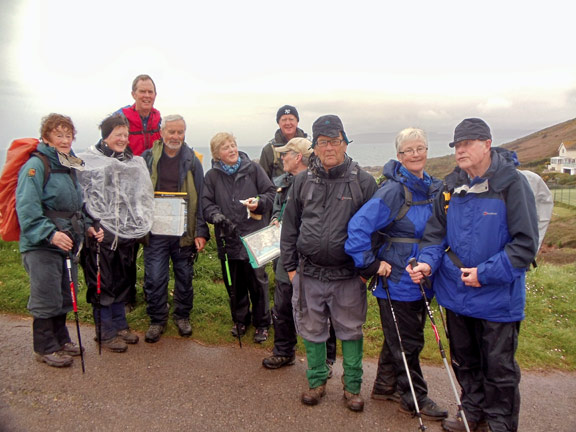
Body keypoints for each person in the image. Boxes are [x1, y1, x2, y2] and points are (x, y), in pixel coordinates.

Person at [407, 118, 538, 432]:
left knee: (499, 367)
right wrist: (426, 264)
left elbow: (525, 244)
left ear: (487, 145)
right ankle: (472, 410)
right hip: (456, 296)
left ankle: (499, 422)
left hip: (497, 297)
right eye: (457, 146)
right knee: (464, 361)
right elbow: (435, 237)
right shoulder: (450, 188)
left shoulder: (512, 184)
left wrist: (485, 274)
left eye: (467, 144)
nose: (460, 151)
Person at [345, 128, 447, 420]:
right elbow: (358, 228)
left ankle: (384, 385)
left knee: (401, 337)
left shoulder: (433, 189)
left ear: (427, 151)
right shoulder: (393, 191)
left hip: (424, 277)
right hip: (397, 281)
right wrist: (369, 264)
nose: (415, 155)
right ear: (399, 156)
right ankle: (415, 397)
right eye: (408, 151)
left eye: (420, 149)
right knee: (407, 342)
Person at [281, 115, 377, 411]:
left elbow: (377, 231)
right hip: (308, 273)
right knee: (312, 330)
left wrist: (364, 273)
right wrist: (292, 269)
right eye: (322, 142)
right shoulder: (301, 182)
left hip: (348, 276)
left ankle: (352, 388)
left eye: (335, 141)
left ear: (345, 143)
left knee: (350, 331)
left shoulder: (364, 181)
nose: (329, 147)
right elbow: (290, 227)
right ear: (315, 147)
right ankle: (317, 381)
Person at [15, 113, 103, 367]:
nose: (65, 140)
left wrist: (88, 227)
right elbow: (27, 209)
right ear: (46, 137)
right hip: (42, 245)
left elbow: (76, 205)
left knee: (66, 292)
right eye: (59, 135)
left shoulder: (68, 164)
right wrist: (50, 234)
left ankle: (62, 339)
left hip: (68, 241)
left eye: (68, 135)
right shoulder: (36, 166)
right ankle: (45, 346)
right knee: (46, 295)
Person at [77, 114, 154, 352]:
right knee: (102, 283)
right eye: (117, 134)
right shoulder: (87, 161)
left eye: (125, 135)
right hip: (101, 234)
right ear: (106, 136)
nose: (122, 139)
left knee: (122, 281)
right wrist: (90, 225)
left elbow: (140, 195)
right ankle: (105, 332)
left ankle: (120, 325)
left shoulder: (132, 162)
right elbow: (81, 198)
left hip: (125, 234)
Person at [141, 114, 209, 343]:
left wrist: (200, 231)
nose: (176, 136)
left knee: (184, 276)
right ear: (161, 132)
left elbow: (201, 197)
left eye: (180, 132)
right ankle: (157, 320)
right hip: (156, 231)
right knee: (155, 277)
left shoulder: (193, 160)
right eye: (172, 131)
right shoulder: (148, 158)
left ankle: (182, 316)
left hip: (183, 230)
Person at [202, 132, 276, 343]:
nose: (232, 150)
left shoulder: (253, 169)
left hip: (254, 235)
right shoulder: (211, 176)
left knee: (258, 282)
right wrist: (214, 214)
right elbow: (206, 203)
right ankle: (241, 320)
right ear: (217, 154)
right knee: (234, 283)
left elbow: (271, 193)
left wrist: (259, 203)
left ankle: (263, 323)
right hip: (228, 236)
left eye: (233, 145)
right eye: (226, 147)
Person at [259, 104, 308, 180]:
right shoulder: (269, 150)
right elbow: (262, 180)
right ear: (278, 123)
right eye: (284, 120)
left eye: (291, 119)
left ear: (297, 121)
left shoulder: (308, 145)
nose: (288, 123)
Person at [118, 74, 162, 156]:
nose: (147, 95)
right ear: (134, 95)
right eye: (142, 91)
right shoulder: (121, 118)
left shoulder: (159, 121)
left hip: (153, 167)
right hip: (127, 166)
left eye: (150, 92)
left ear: (155, 95)